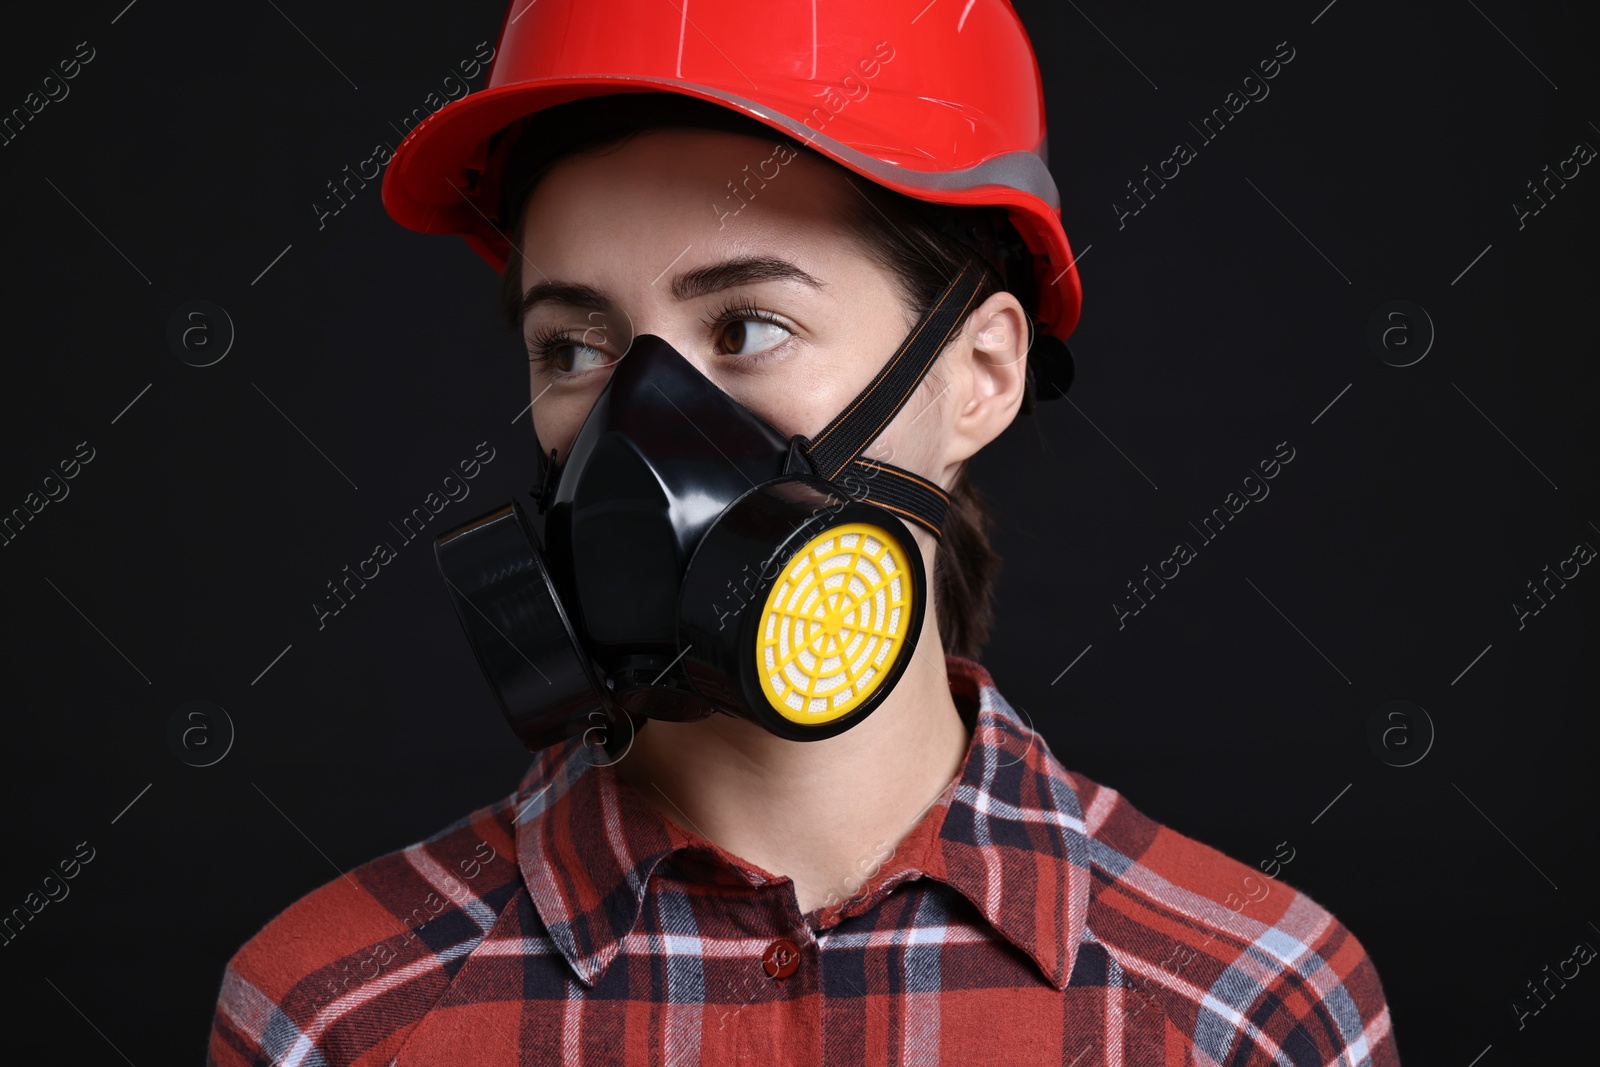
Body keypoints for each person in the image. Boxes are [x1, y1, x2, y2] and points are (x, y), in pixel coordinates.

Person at [206, 1, 1400, 1063]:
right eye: (574, 347)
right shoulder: (336, 1016)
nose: (640, 422)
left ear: (979, 372)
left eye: (747, 326)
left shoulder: (1250, 1011)